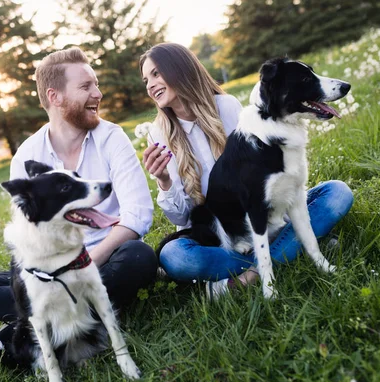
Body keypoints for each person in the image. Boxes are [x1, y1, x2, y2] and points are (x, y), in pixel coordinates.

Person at [0, 47, 157, 326]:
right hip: (51, 270)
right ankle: (73, 314)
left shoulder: (112, 138)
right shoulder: (26, 156)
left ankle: (45, 320)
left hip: (107, 259)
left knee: (139, 257)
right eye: (86, 86)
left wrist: (80, 268)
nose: (98, 93)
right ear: (54, 96)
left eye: (96, 84)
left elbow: (138, 216)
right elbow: (30, 234)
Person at [139, 43, 354, 298]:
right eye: (145, 80)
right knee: (175, 257)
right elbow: (182, 219)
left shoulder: (226, 106)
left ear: (180, 69)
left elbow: (267, 171)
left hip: (267, 212)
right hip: (220, 231)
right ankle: (292, 246)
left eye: (156, 74)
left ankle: (248, 275)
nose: (150, 85)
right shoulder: (159, 132)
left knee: (337, 192)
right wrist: (164, 181)